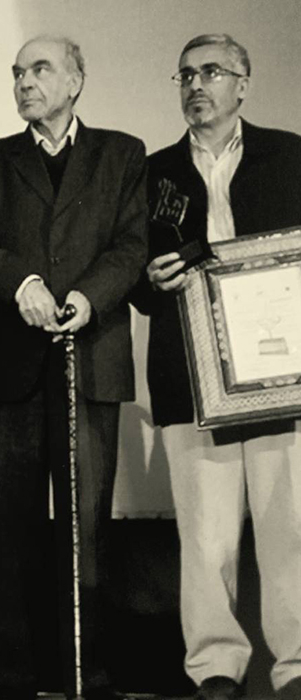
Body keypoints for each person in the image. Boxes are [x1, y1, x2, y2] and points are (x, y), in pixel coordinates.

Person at [0, 35, 147, 700]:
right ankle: (11, 676)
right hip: (13, 369)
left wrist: (87, 297)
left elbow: (133, 244)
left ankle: (86, 676)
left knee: (86, 529)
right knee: (10, 533)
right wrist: (24, 284)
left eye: (40, 70)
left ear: (75, 81)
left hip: (91, 362)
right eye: (17, 73)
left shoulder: (122, 155)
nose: (25, 82)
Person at [132, 33, 301, 700]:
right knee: (205, 537)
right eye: (185, 75)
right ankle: (216, 670)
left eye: (210, 72)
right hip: (190, 373)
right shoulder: (153, 172)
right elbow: (131, 274)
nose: (196, 85)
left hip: (282, 373)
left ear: (242, 84)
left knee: (291, 526)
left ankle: (296, 668)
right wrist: (148, 278)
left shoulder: (290, 156)